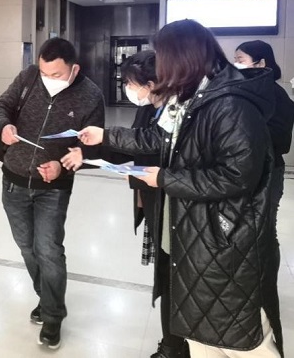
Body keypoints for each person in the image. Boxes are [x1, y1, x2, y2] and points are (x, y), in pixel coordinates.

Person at [79, 20, 283, 357]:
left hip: (223, 237)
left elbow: (236, 177)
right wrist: (106, 135)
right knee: (201, 331)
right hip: (193, 229)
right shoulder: (191, 97)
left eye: (163, 56)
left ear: (182, 56)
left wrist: (164, 179)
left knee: (243, 339)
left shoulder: (230, 103)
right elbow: (158, 138)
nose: (160, 66)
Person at [62, 50, 189, 358]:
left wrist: (105, 136)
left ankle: (174, 346)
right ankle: (172, 342)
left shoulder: (179, 111)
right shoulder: (149, 108)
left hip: (175, 205)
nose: (128, 89)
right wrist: (86, 155)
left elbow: (150, 144)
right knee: (166, 272)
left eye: (131, 83)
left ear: (152, 84)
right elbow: (131, 146)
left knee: (174, 276)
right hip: (155, 201)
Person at [0, 37, 105, 350]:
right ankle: (46, 297)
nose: (48, 79)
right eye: (44, 73)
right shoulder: (28, 77)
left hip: (53, 189)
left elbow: (92, 149)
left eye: (56, 75)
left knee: (49, 250)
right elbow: (0, 105)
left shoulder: (90, 95)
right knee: (27, 247)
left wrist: (61, 167)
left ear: (74, 69)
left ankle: (53, 315)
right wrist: (4, 126)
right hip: (13, 181)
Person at [234, 40, 294, 225]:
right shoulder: (249, 91)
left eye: (240, 60)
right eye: (235, 59)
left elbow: (281, 139)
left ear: (261, 63)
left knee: (264, 228)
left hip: (267, 171)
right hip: (247, 169)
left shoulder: (274, 94)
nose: (235, 65)